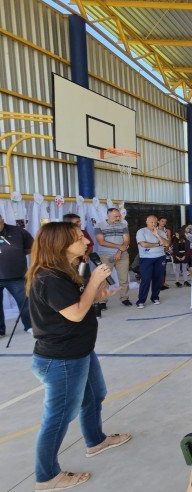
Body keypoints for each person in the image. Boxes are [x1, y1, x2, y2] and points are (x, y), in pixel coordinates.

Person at [27, 222, 131, 491]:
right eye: (78, 239)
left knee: (95, 395)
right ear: (59, 245)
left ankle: (95, 441)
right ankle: (47, 475)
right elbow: (74, 314)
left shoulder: (65, 272)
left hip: (80, 352)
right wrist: (94, 281)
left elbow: (75, 305)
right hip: (61, 359)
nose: (86, 242)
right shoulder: (48, 278)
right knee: (59, 417)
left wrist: (96, 293)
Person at [0, 213, 33, 336]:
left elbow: (31, 247)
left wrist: (17, 253)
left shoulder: (18, 231)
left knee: (25, 302)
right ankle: (0, 330)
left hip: (17, 275)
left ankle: (29, 326)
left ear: (2, 221)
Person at [93, 208, 132, 308]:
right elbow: (101, 242)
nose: (118, 218)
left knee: (124, 279)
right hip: (105, 256)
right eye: (116, 216)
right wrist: (119, 247)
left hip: (122, 255)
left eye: (119, 216)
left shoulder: (123, 225)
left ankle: (125, 298)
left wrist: (119, 252)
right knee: (104, 279)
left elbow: (126, 240)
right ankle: (102, 301)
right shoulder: (99, 225)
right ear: (108, 216)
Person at [135, 215, 170, 309]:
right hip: (146, 258)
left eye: (155, 222)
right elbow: (144, 244)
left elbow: (167, 244)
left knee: (158, 279)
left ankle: (155, 297)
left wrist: (157, 235)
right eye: (151, 222)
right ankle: (141, 300)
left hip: (160, 258)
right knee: (145, 279)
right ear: (146, 222)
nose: (153, 224)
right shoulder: (141, 231)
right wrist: (159, 244)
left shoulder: (161, 232)